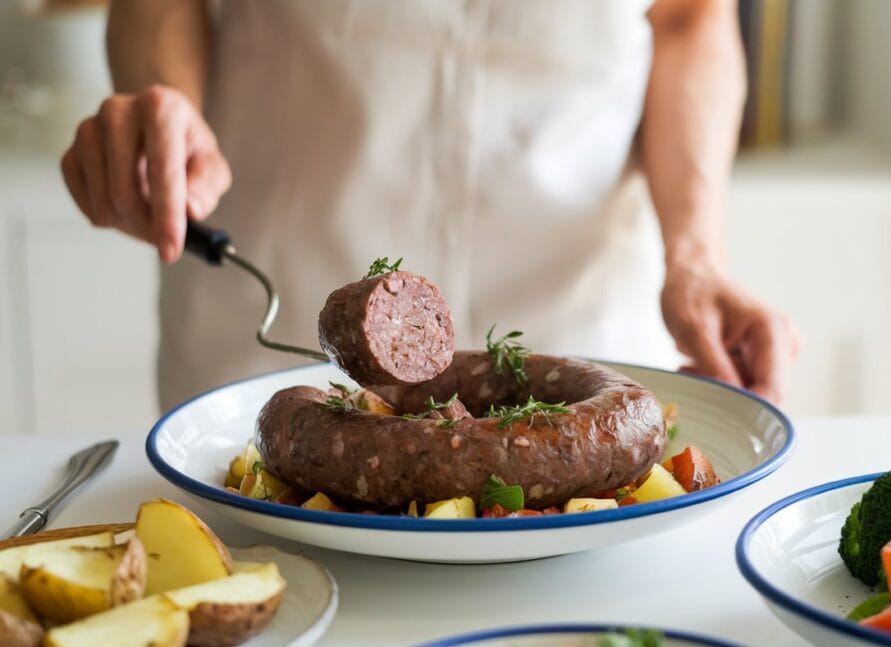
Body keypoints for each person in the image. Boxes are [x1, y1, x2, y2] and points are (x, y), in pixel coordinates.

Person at [61, 0, 799, 411]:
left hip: (583, 324)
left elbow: (690, 16)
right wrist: (168, 111)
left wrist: (697, 256)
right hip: (274, 327)